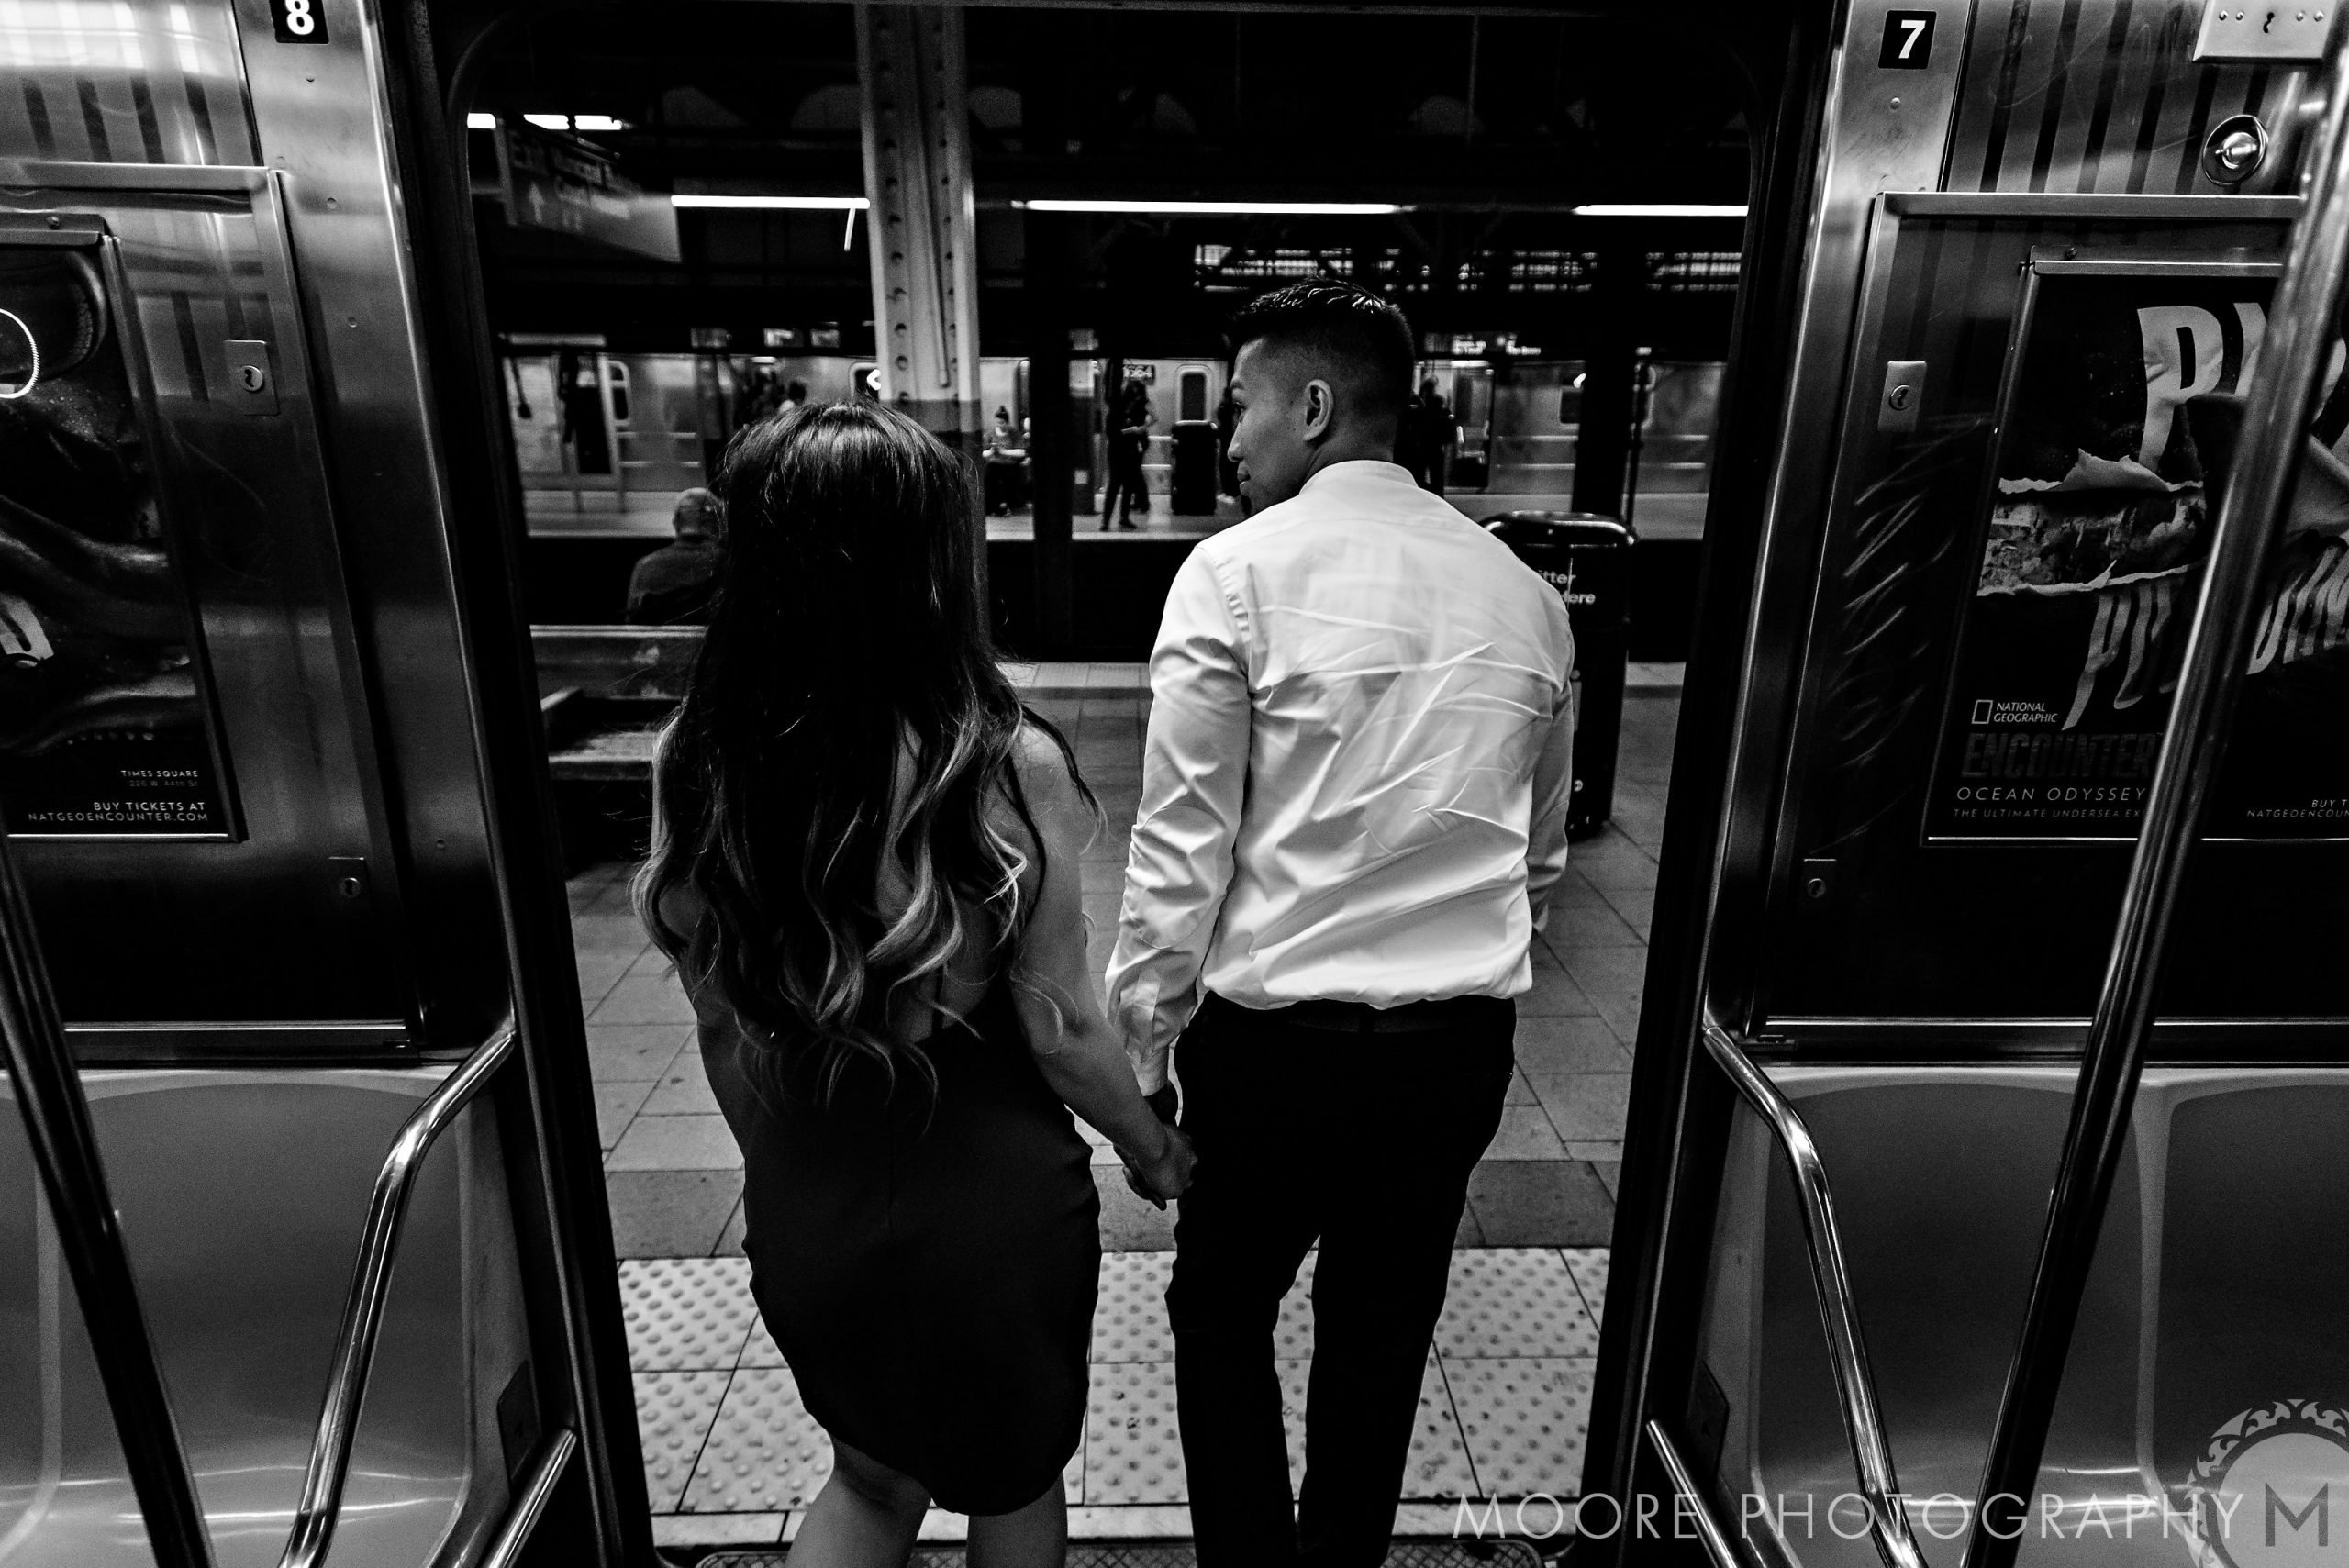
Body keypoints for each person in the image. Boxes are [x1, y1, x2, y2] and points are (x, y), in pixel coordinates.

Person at [638, 403, 1196, 1568]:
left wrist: (789, 1160)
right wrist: (1153, 1147)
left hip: (809, 1190)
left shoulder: (698, 754)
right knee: (1015, 1485)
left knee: (868, 1482)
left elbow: (713, 1011)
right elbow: (1061, 1026)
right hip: (990, 1207)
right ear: (932, 563)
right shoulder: (998, 760)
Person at [1104, 281, 1576, 1568]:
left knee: (1219, 1314)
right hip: (1453, 1057)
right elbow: (1538, 863)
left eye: (1244, 403)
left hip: (1274, 1061)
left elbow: (1181, 849)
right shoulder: (1526, 595)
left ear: (1314, 407)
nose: (1233, 435)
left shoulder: (1233, 575)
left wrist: (1141, 1064)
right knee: (1383, 1334)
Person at [624, 487, 724, 625]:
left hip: (659, 646)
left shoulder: (646, 566)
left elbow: (631, 629)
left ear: (676, 524)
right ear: (718, 526)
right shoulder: (729, 567)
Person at [1099, 379, 1152, 530]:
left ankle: (1109, 520)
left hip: (1118, 451)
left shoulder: (1117, 409)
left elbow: (1110, 432)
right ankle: (1120, 518)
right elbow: (1113, 432)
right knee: (1122, 486)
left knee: (1118, 486)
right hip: (1126, 451)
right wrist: (1132, 431)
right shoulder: (1121, 409)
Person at [1418, 376, 1454, 494]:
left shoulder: (1420, 408)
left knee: (1420, 475)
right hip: (1436, 446)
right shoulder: (1441, 409)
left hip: (1422, 445)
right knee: (1437, 476)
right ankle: (1437, 496)